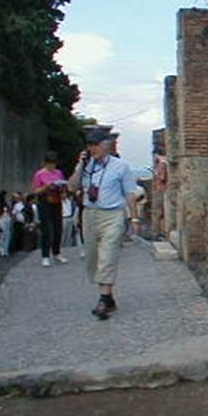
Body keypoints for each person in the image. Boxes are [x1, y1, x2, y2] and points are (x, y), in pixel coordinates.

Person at [69, 128, 141, 320]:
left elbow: (130, 194)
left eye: (95, 145)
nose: (92, 149)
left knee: (107, 255)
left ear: (106, 145)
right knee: (92, 257)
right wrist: (79, 167)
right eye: (89, 145)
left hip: (113, 215)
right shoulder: (86, 166)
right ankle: (108, 297)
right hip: (90, 214)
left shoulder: (121, 167)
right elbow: (72, 187)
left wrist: (134, 218)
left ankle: (103, 299)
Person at [32, 151, 68, 267]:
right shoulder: (39, 174)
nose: (52, 167)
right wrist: (45, 187)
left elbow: (63, 187)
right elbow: (35, 191)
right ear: (45, 163)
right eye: (50, 164)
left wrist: (62, 191)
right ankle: (45, 255)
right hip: (45, 201)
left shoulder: (59, 173)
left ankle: (57, 252)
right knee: (46, 228)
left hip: (56, 200)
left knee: (58, 227)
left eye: (54, 164)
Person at [0, 191, 11, 257]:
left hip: (7, 219)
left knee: (7, 235)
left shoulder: (6, 203)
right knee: (2, 235)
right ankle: (1, 250)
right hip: (1, 219)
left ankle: (6, 250)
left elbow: (9, 211)